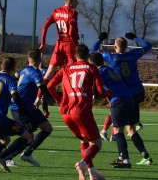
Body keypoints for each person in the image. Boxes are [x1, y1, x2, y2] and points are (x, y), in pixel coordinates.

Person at [48, 44, 113, 180]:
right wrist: (108, 93)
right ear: (88, 55)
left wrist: (58, 100)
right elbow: (100, 90)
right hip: (81, 111)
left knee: (84, 140)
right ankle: (83, 163)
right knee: (96, 143)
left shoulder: (65, 69)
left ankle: (92, 173)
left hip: (66, 112)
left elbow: (49, 85)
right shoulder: (91, 67)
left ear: (75, 55)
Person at [89, 52, 153, 168]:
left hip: (118, 100)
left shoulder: (98, 72)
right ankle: (145, 156)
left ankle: (125, 160)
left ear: (92, 63)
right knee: (131, 129)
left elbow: (97, 86)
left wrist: (95, 95)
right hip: (130, 98)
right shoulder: (110, 69)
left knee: (118, 130)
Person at [91, 32, 151, 142]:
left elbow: (92, 52)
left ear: (114, 47)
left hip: (122, 93)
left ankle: (116, 142)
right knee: (131, 126)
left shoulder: (110, 57)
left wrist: (100, 39)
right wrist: (135, 38)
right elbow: (148, 45)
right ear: (127, 47)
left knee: (118, 114)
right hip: (137, 92)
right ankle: (140, 151)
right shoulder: (133, 54)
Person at [0, 57, 37, 172]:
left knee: (5, 140)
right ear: (14, 68)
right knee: (29, 137)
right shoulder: (10, 80)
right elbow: (16, 98)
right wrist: (26, 112)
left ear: (1, 66)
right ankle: (2, 158)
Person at [4, 49, 54, 167]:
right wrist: (59, 98)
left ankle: (27, 154)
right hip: (19, 108)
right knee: (28, 136)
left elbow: (15, 76)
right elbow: (43, 89)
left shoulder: (23, 70)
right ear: (40, 60)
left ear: (28, 59)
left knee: (47, 128)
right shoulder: (35, 72)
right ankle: (7, 157)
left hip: (29, 107)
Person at [39, 0, 79, 83]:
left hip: (59, 45)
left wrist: (43, 43)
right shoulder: (73, 12)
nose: (77, 3)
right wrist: (76, 46)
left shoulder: (56, 11)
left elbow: (45, 26)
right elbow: (71, 32)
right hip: (70, 45)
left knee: (50, 70)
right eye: (75, 1)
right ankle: (68, 95)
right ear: (69, 2)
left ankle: (39, 96)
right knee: (72, 71)